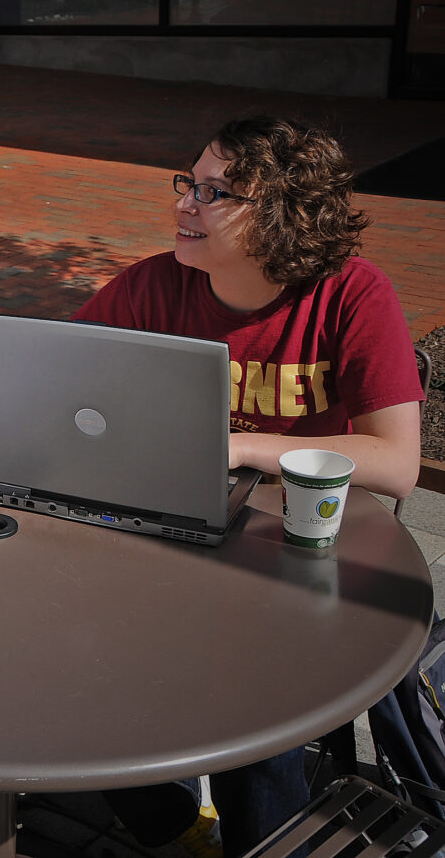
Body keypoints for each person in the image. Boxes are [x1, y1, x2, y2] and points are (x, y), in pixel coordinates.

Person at [76, 115, 424, 856]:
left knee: (251, 686)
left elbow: (397, 461)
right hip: (175, 538)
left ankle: (261, 839)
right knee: (66, 652)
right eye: (188, 183)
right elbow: (60, 379)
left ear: (282, 215)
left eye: (214, 191)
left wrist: (239, 446)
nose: (185, 205)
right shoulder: (154, 285)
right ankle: (172, 826)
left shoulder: (351, 295)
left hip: (298, 552)